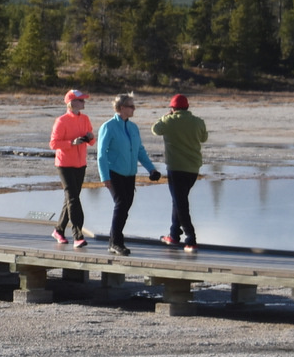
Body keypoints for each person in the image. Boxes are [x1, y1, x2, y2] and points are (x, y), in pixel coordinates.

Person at [96, 92, 161, 256]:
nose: (134, 109)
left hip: (130, 174)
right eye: (131, 106)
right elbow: (101, 154)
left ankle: (114, 241)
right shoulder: (108, 126)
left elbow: (140, 150)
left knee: (126, 206)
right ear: (122, 108)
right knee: (121, 204)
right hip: (114, 172)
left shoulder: (133, 127)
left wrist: (151, 169)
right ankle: (116, 243)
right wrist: (105, 177)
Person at [152, 94, 208, 252]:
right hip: (193, 168)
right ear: (187, 107)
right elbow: (204, 138)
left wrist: (164, 117)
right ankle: (174, 235)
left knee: (180, 203)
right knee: (179, 201)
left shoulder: (169, 121)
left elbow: (155, 130)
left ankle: (191, 238)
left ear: (172, 108)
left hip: (176, 168)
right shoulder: (198, 122)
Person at [48, 89, 94, 248]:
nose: (83, 102)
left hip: (80, 164)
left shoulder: (85, 118)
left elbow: (92, 140)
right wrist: (71, 143)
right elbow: (53, 144)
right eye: (80, 100)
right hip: (64, 164)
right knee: (73, 198)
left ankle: (59, 230)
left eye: (83, 100)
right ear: (71, 102)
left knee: (70, 198)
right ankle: (78, 235)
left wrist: (89, 138)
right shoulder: (61, 121)